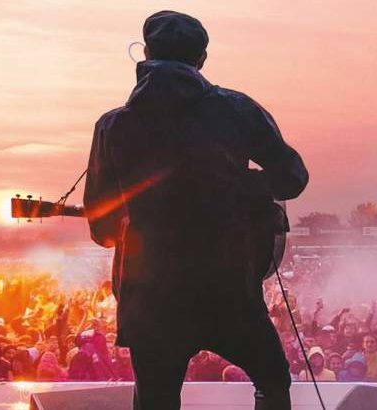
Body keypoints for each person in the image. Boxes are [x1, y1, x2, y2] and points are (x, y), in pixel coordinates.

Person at [84, 10, 308, 410]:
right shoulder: (237, 110)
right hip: (230, 291)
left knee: (156, 398)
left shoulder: (113, 126)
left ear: (145, 54)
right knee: (273, 381)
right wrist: (239, 189)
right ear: (202, 59)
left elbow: (101, 229)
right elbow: (292, 176)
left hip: (151, 299)